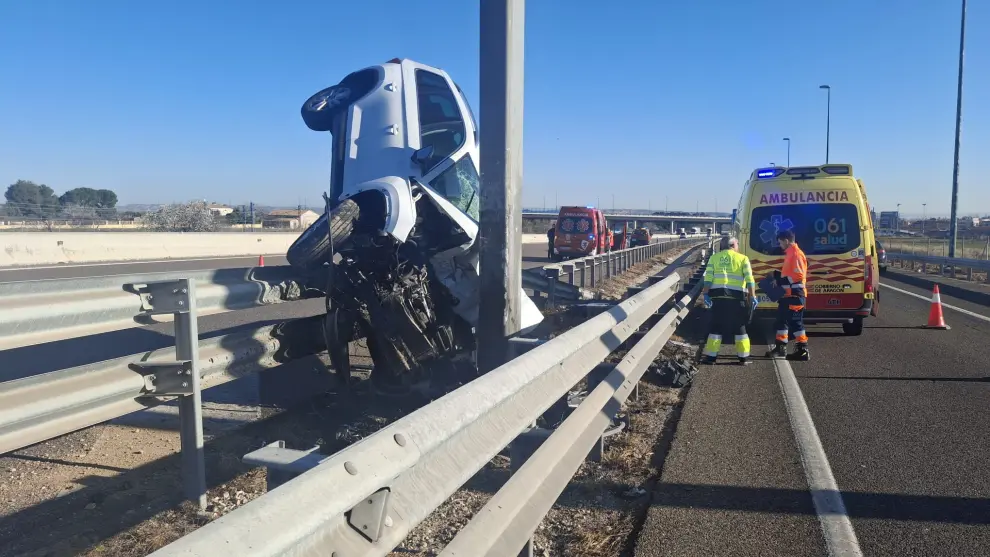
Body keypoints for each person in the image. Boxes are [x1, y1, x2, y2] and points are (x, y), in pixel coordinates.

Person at [700, 236, 757, 365]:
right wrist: (752, 296)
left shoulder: (714, 258)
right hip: (737, 298)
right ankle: (743, 358)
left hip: (718, 297)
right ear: (733, 245)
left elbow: (708, 278)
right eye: (737, 244)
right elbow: (749, 280)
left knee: (716, 326)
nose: (738, 246)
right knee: (740, 327)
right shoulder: (743, 258)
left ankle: (711, 358)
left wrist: (706, 294)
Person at [765, 229, 810, 361]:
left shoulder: (795, 254)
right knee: (781, 322)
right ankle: (780, 348)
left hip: (795, 295)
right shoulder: (791, 253)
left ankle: (803, 350)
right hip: (787, 296)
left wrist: (778, 280)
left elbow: (798, 276)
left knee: (796, 323)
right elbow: (790, 274)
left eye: (780, 242)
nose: (780, 245)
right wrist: (777, 275)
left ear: (786, 240)